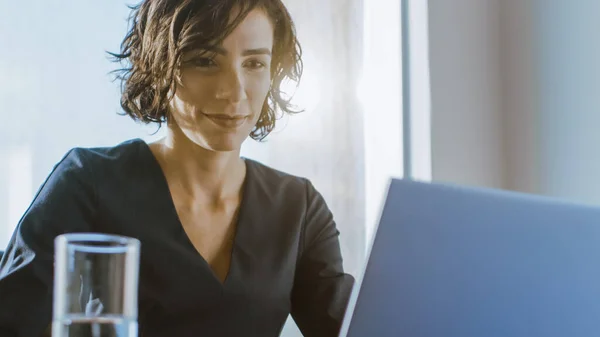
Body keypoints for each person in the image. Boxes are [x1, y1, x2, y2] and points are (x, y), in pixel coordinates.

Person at [0, 0, 355, 336]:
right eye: (205, 61)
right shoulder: (89, 183)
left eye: (254, 63)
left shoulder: (297, 207)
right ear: (160, 66)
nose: (234, 91)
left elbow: (360, 327)